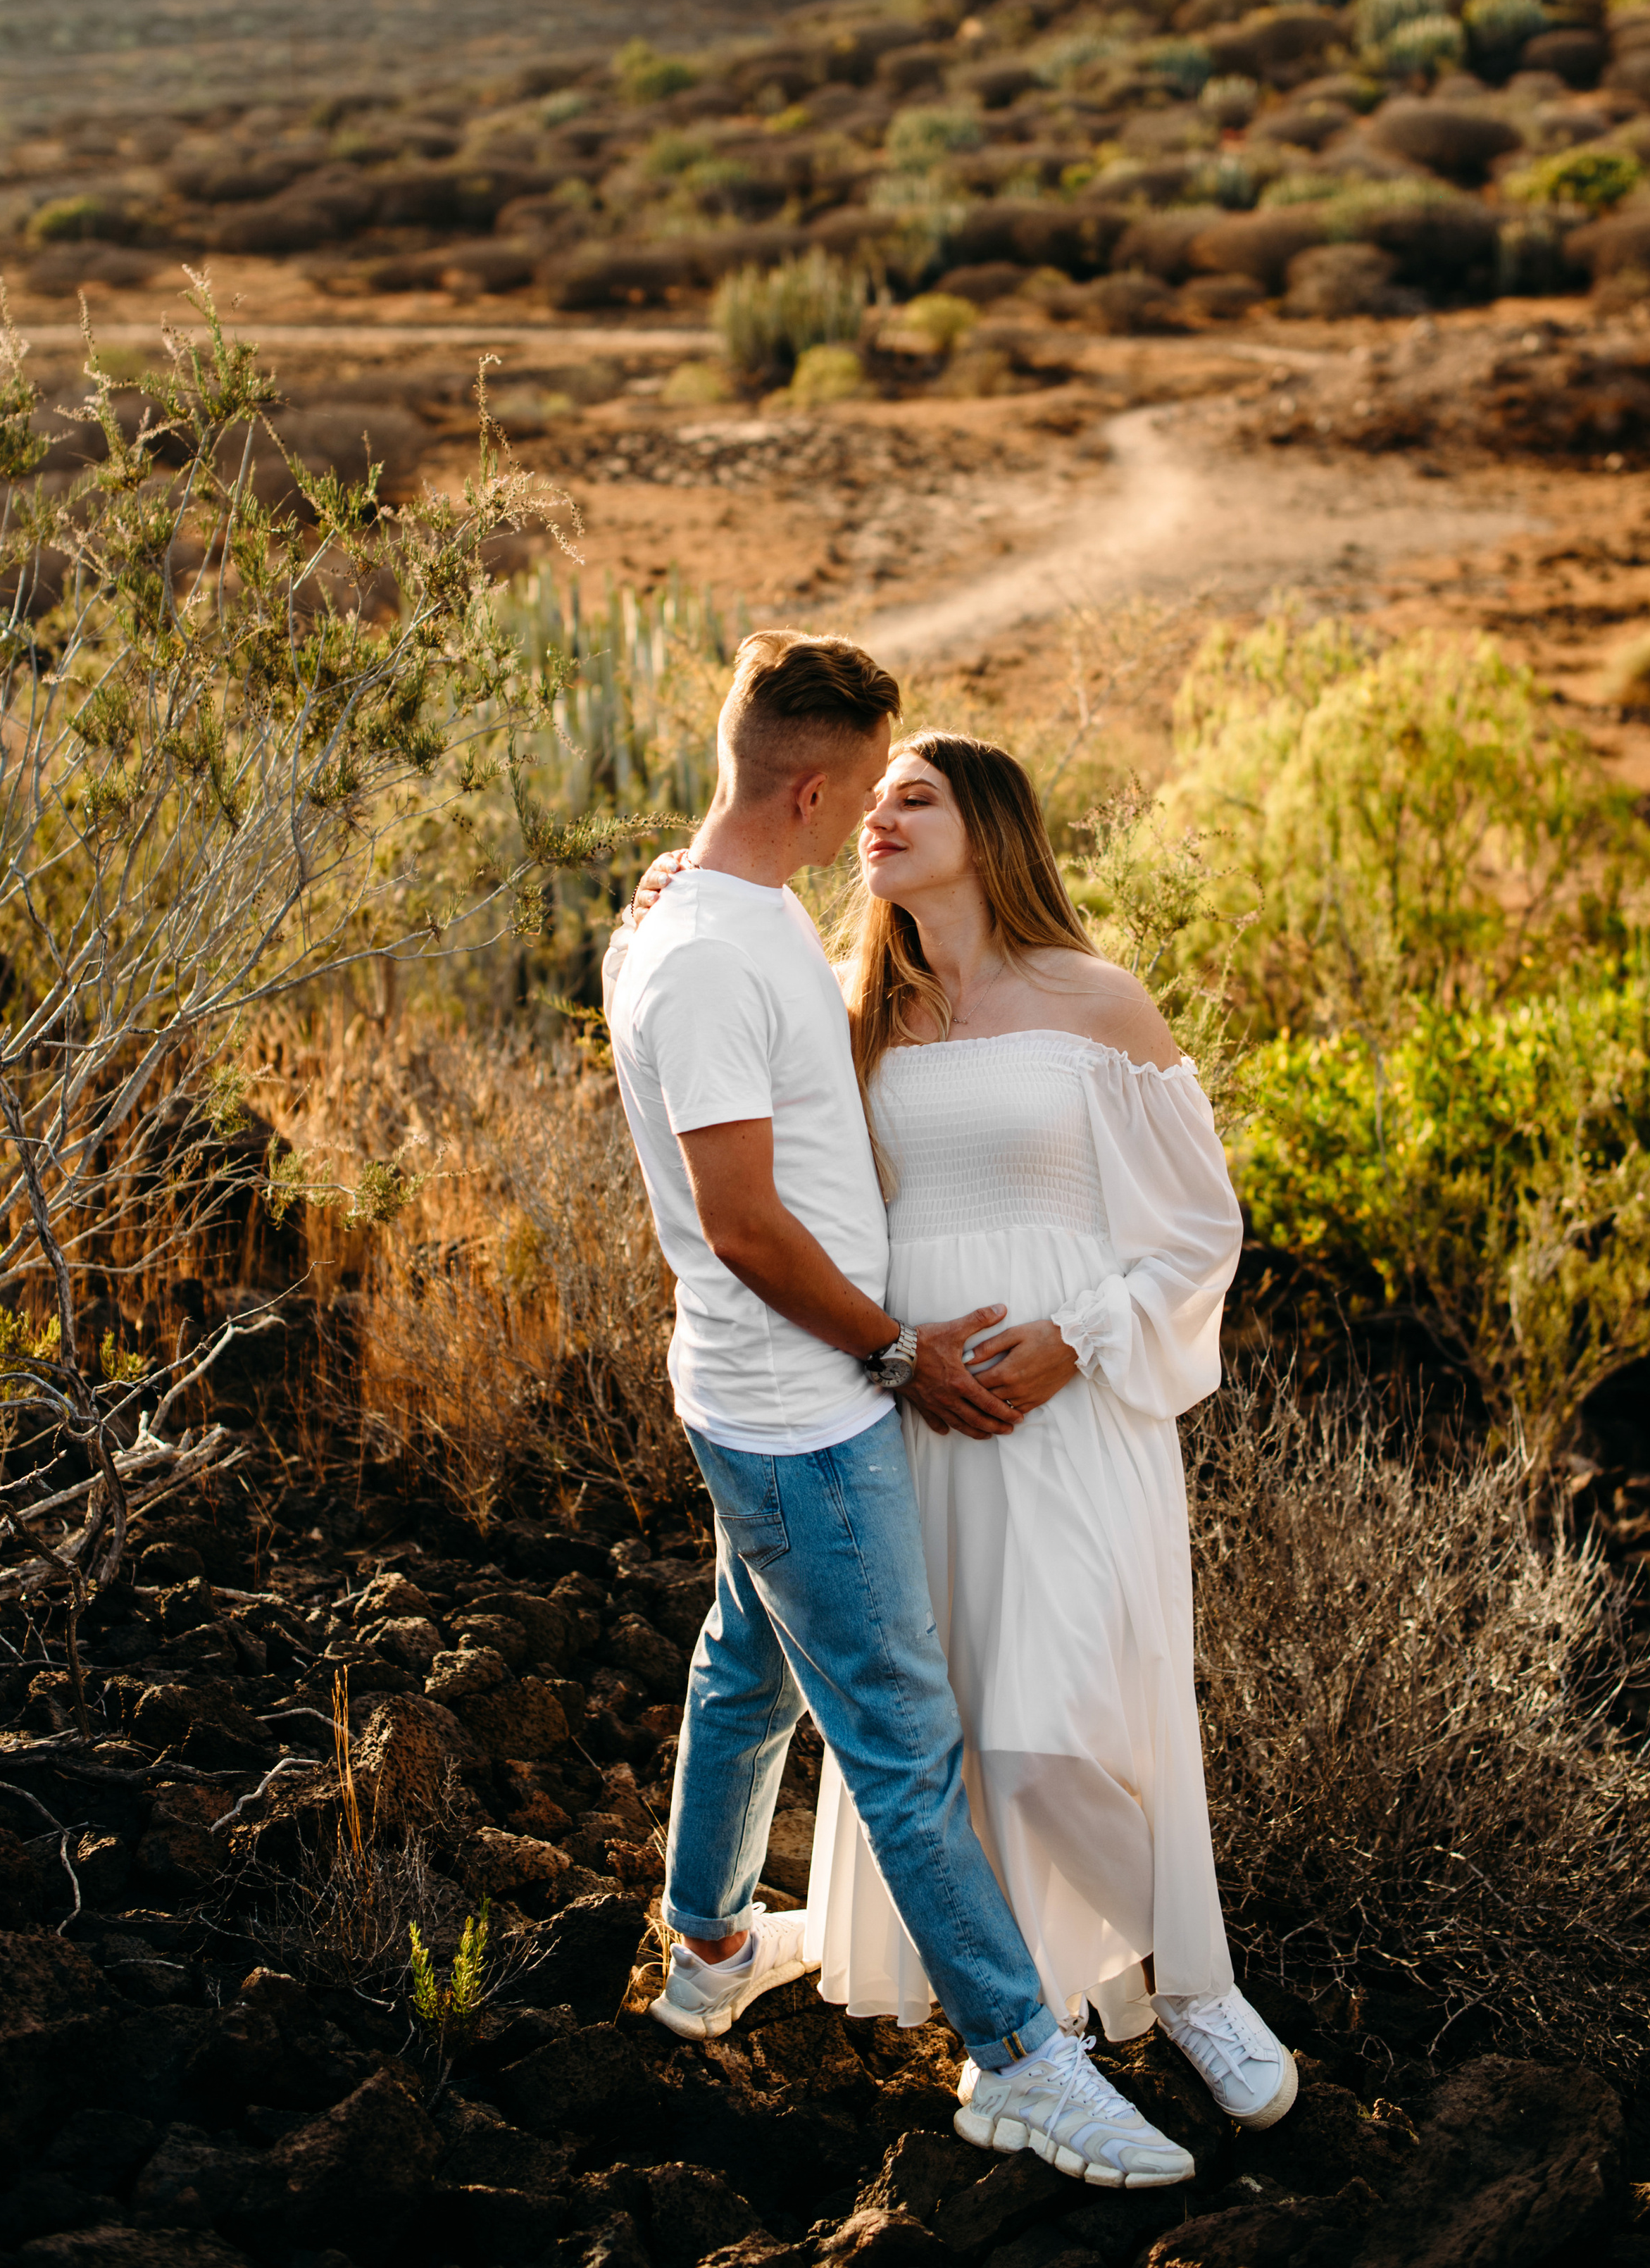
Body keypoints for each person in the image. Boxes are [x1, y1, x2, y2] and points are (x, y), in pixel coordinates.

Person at [601, 631, 1199, 2190]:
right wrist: (894, 1356)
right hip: (801, 1404)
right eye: (864, 784)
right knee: (904, 1743)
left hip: (765, 1391)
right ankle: (1018, 2060)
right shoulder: (720, 956)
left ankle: (709, 1940)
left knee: (747, 1662)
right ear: (808, 787)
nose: (871, 812)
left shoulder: (715, 918)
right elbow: (743, 1223)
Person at [804, 728, 1298, 2133]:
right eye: (870, 800)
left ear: (991, 825)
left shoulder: (1093, 1000)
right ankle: (1018, 2030)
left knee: (1051, 1724)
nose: (878, 818)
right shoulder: (853, 1016)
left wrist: (1069, 1344)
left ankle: (1191, 1986)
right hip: (913, 1415)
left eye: (915, 797)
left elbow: (1197, 1231)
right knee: (955, 1731)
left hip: (1071, 1413)